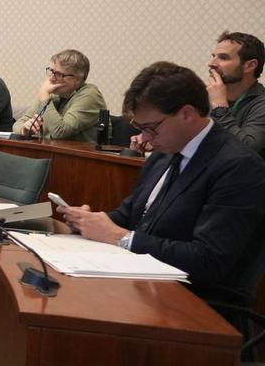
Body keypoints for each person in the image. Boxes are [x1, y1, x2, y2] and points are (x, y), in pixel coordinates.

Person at [57, 62, 265, 307]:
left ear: (186, 114)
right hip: (141, 283)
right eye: (140, 128)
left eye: (150, 128)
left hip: (195, 302)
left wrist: (122, 238)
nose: (144, 139)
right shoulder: (163, 153)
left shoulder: (238, 166)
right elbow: (129, 215)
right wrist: (91, 221)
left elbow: (209, 261)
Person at [14, 49, 106, 142]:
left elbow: (59, 132)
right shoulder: (55, 94)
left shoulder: (90, 95)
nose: (51, 78)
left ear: (77, 79)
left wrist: (44, 95)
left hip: (78, 155)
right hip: (47, 152)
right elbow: (18, 124)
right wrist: (24, 128)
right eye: (51, 71)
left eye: (58, 74)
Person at [206, 31, 265, 156]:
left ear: (250, 66)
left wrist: (220, 108)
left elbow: (247, 149)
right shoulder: (205, 96)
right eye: (213, 56)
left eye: (223, 57)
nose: (211, 64)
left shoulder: (261, 103)